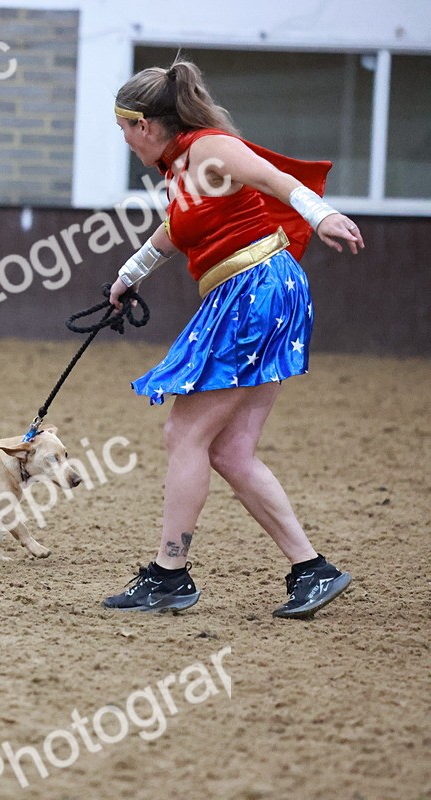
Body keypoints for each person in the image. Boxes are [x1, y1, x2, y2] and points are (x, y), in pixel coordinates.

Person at [100, 59, 362, 619]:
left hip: (255, 291)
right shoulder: (180, 170)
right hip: (251, 292)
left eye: (123, 129)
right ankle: (312, 570)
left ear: (144, 124)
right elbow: (177, 231)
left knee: (184, 433)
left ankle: (170, 576)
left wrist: (323, 216)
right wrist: (128, 276)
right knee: (231, 449)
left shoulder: (210, 148)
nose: (124, 141)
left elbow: (277, 180)